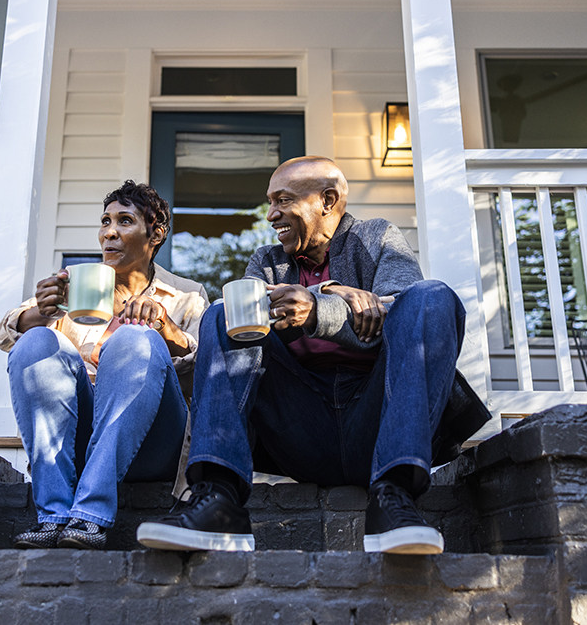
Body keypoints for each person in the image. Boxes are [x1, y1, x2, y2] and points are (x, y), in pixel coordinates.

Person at [136, 156, 489, 555]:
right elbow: (246, 331)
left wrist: (318, 312)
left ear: (328, 200)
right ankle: (218, 500)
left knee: (432, 296)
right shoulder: (268, 262)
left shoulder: (377, 239)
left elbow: (405, 317)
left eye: (283, 200)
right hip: (301, 428)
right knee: (223, 312)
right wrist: (338, 291)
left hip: (376, 426)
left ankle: (394, 498)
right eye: (270, 202)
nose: (271, 214)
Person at [0, 180, 208, 550]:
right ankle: (54, 515)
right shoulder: (73, 288)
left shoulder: (187, 296)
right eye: (105, 221)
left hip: (154, 444)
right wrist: (39, 312)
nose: (109, 233)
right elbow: (10, 337)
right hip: (78, 440)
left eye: (125, 221)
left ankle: (90, 515)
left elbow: (206, 375)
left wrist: (165, 328)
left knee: (135, 338)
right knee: (36, 342)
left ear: (155, 234)